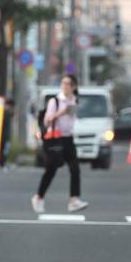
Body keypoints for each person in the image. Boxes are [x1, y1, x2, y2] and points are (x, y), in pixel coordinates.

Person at [32, 74, 88, 213]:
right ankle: (39, 197)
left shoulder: (74, 100)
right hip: (55, 139)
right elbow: (47, 121)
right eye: (63, 83)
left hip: (68, 138)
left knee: (75, 168)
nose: (65, 86)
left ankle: (73, 200)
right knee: (51, 170)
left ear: (73, 86)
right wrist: (61, 113)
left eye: (68, 84)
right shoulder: (54, 101)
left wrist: (70, 109)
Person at [0, 98, 15, 170]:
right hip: (4, 135)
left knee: (4, 149)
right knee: (4, 150)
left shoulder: (5, 112)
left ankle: (2, 163)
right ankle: (2, 163)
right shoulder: (5, 113)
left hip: (4, 135)